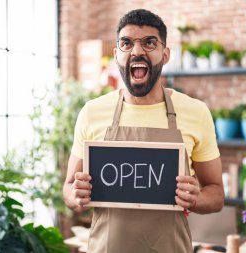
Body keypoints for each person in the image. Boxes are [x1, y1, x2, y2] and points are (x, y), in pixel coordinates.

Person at [63, 9, 224, 253]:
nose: (137, 51)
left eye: (149, 43)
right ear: (116, 55)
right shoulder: (92, 112)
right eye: (126, 43)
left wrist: (196, 198)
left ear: (165, 54)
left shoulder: (196, 112)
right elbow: (68, 187)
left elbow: (216, 194)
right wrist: (76, 196)